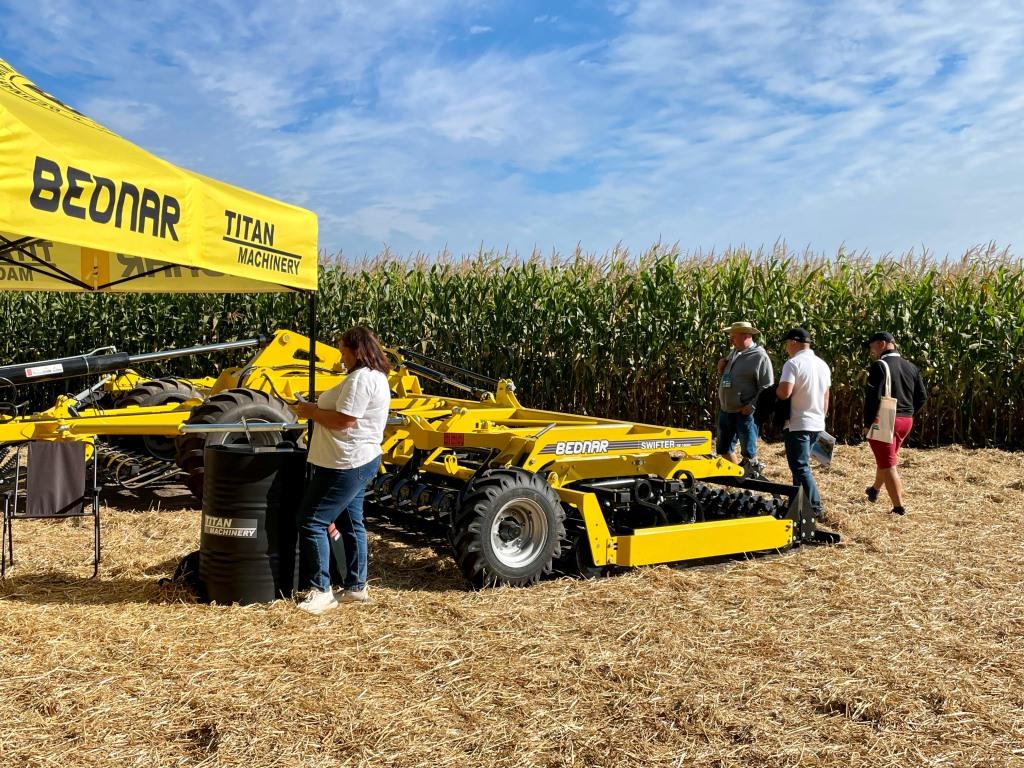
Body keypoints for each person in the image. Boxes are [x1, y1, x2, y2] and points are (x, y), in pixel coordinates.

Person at [292, 326, 392, 614]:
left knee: (311, 520)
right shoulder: (375, 376)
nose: (341, 357)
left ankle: (321, 591)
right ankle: (356, 587)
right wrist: (316, 408)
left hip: (346, 462)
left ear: (358, 352)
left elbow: (344, 420)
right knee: (351, 522)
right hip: (358, 459)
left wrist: (311, 411)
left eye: (343, 352)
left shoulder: (360, 379)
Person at [862, 331, 927, 516]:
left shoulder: (880, 366)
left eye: (872, 346)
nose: (871, 350)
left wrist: (867, 423)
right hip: (906, 420)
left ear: (882, 344)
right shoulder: (911, 366)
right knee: (886, 458)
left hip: (886, 420)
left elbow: (873, 399)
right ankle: (874, 489)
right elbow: (922, 397)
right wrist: (908, 412)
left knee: (889, 464)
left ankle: (898, 508)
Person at [775, 327, 831, 518]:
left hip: (798, 422)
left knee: (800, 466)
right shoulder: (822, 365)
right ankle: (797, 505)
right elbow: (826, 396)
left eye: (786, 343)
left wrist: (773, 391)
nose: (786, 347)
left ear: (793, 342)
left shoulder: (793, 364)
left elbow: (785, 392)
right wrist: (821, 416)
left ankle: (815, 507)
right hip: (817, 422)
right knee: (800, 467)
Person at [715, 321, 774, 478]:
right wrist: (721, 367)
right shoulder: (734, 353)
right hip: (726, 410)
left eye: (734, 336)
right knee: (723, 449)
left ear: (746, 336)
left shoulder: (759, 356)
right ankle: (739, 479)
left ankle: (751, 481)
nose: (731, 339)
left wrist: (752, 406)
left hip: (744, 413)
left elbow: (767, 386)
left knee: (748, 453)